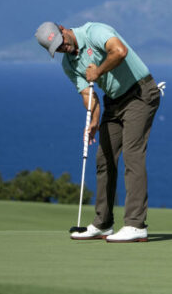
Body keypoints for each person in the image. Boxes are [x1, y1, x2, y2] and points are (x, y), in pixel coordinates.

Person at [35, 21, 160, 242]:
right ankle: (103, 223)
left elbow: (119, 51)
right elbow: (87, 94)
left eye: (62, 43)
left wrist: (99, 71)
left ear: (63, 30)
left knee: (132, 155)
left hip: (140, 93)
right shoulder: (69, 65)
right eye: (57, 49)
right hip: (114, 101)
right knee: (104, 159)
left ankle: (135, 224)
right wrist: (93, 118)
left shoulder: (94, 32)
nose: (63, 49)